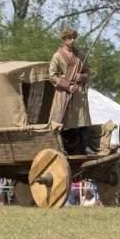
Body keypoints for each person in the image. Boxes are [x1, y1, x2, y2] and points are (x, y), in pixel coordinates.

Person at [49, 27, 95, 155]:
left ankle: (85, 147)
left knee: (82, 119)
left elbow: (87, 72)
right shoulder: (57, 56)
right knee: (63, 120)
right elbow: (52, 75)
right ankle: (62, 147)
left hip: (79, 93)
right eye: (69, 38)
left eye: (74, 37)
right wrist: (67, 86)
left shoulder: (80, 55)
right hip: (64, 93)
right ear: (64, 39)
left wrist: (82, 77)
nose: (72, 40)